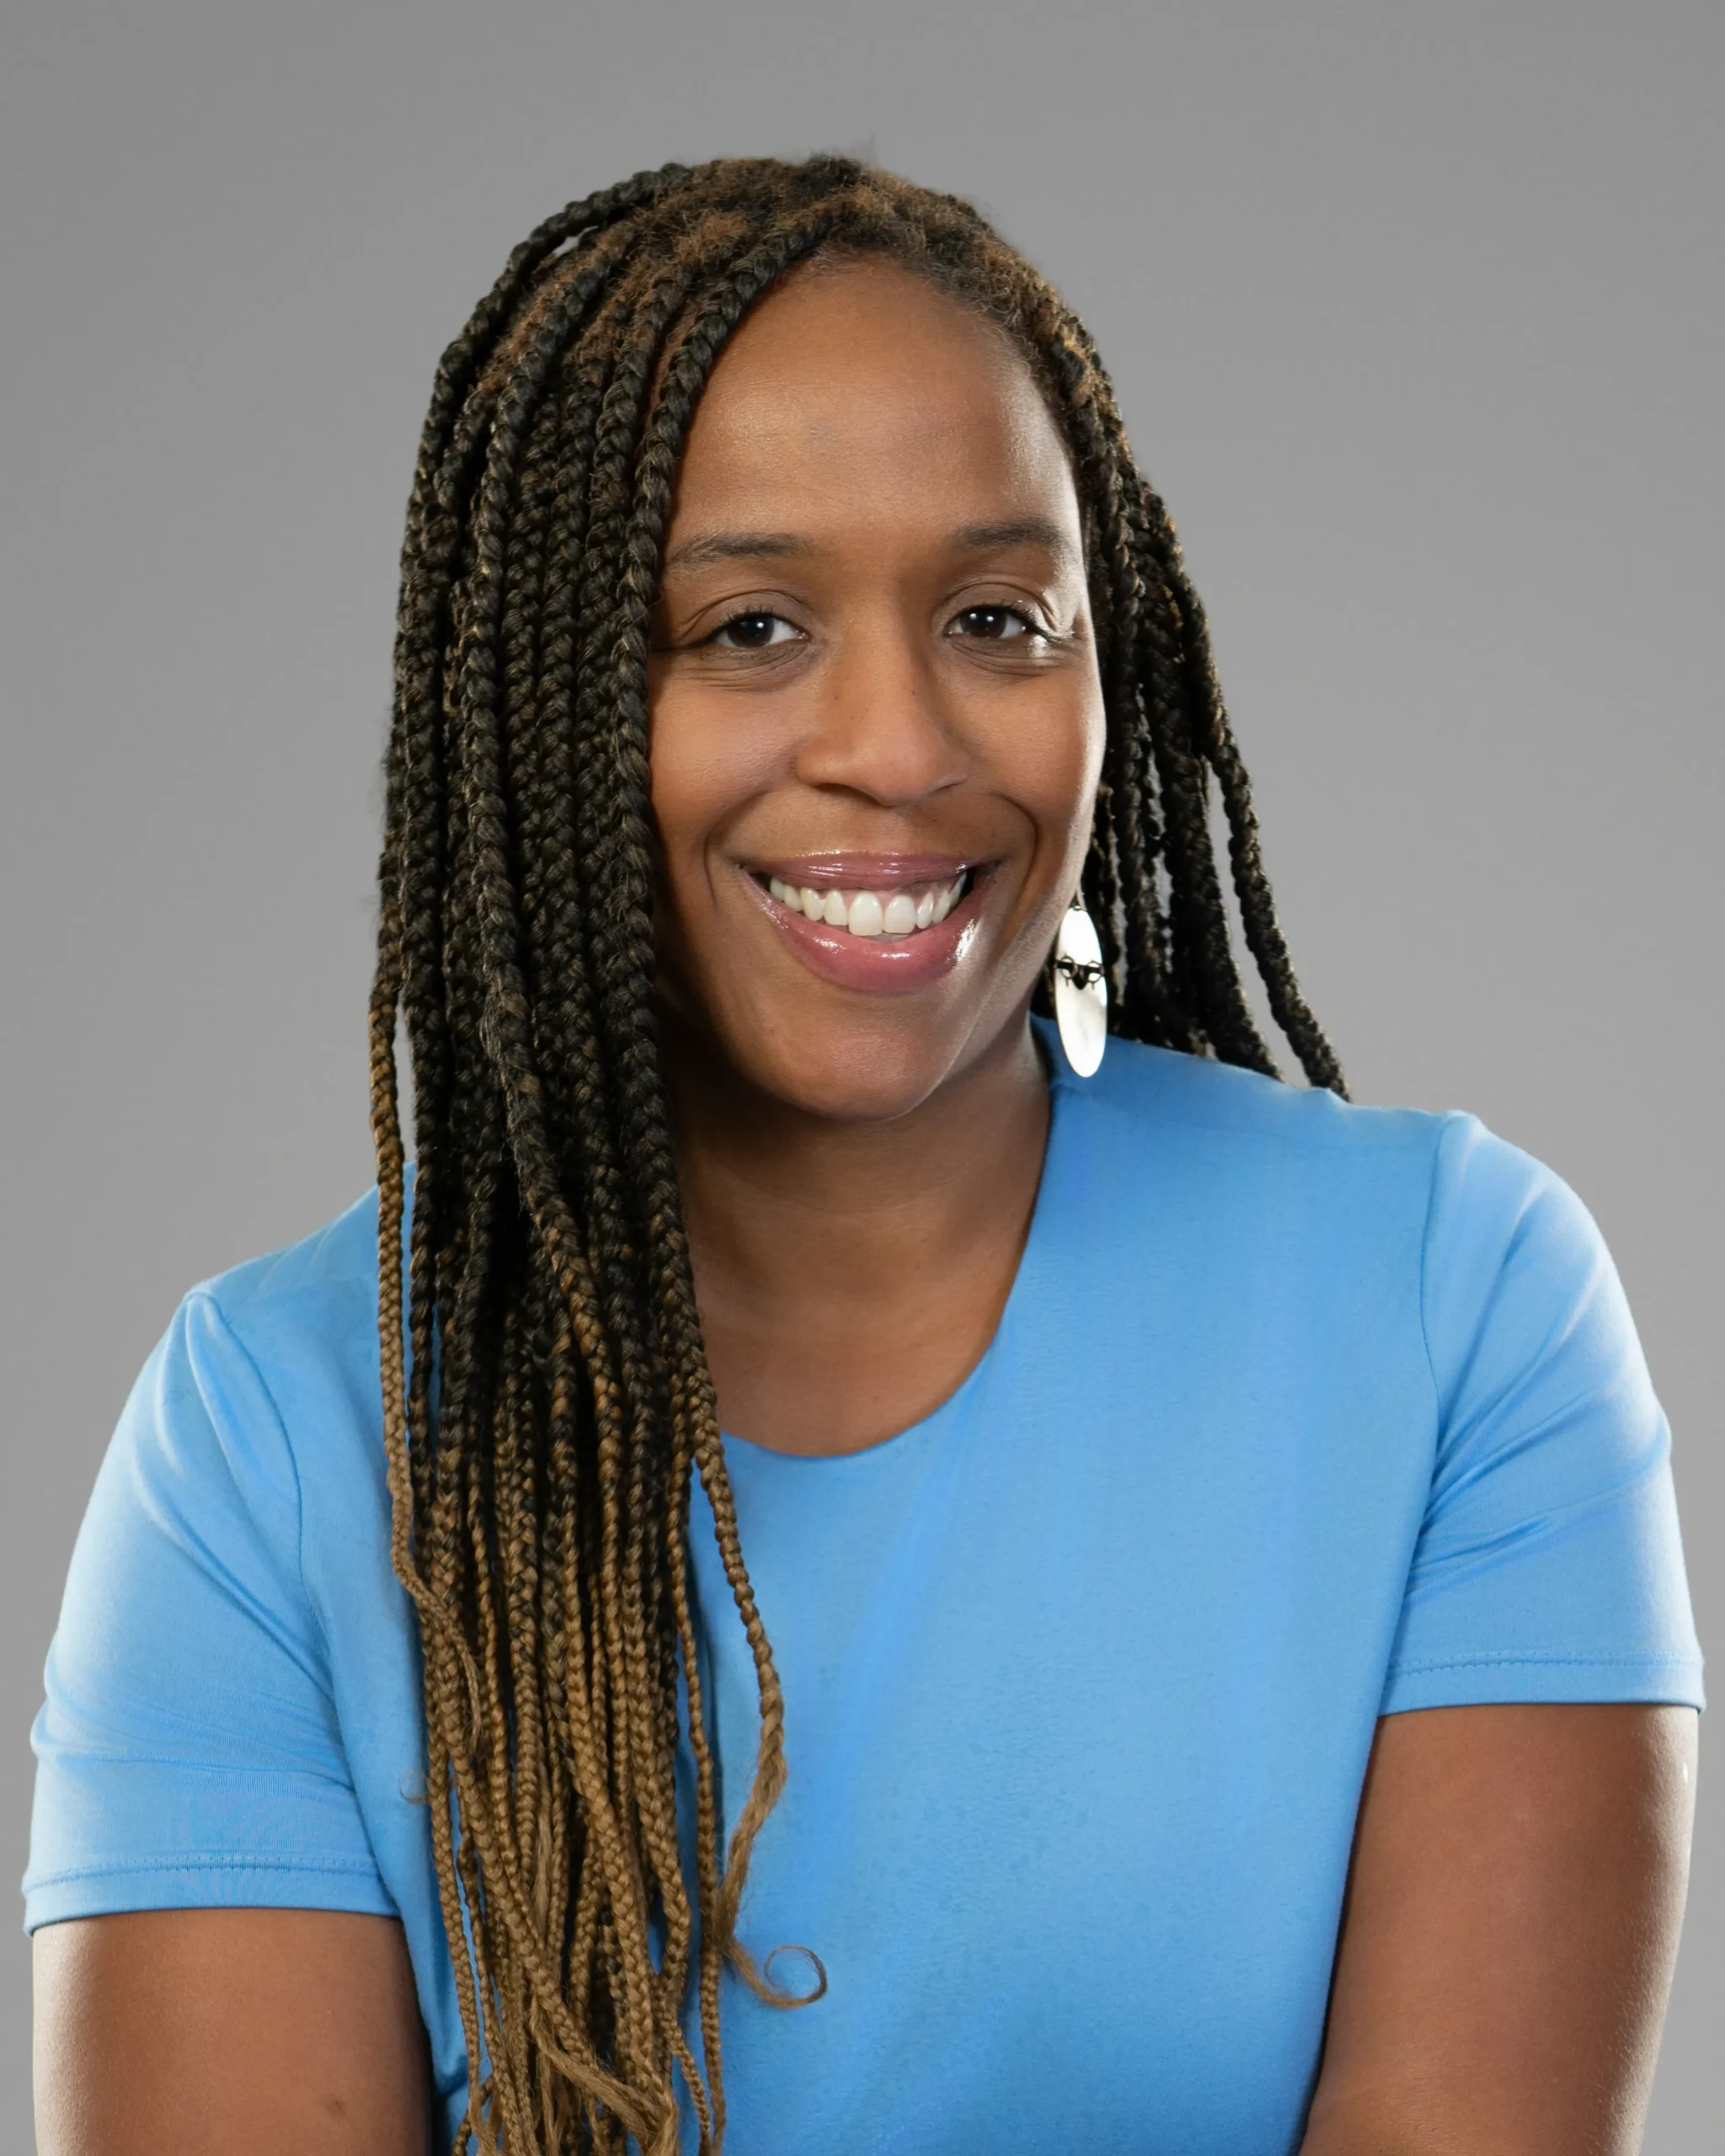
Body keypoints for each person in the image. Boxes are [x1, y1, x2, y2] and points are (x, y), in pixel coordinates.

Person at [25, 156, 1702, 2156]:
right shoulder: (279, 1434)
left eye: (998, 616)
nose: (899, 745)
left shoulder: (1447, 1307)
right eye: (747, 626)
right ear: (540, 709)